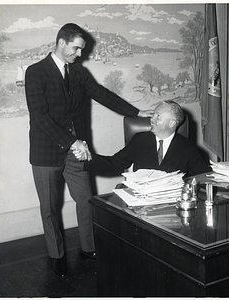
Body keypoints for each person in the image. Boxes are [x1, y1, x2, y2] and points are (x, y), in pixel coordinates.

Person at [25, 23, 153, 278]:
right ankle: (56, 256)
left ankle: (88, 249)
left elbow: (103, 94)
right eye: (76, 48)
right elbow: (40, 117)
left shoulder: (79, 73)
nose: (79, 54)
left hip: (77, 153)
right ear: (61, 42)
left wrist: (137, 112)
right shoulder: (35, 72)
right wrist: (73, 142)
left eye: (81, 49)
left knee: (86, 201)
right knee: (49, 208)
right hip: (47, 153)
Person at [76, 100, 212, 178]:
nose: (152, 118)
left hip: (172, 203)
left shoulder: (187, 148)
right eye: (153, 114)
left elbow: (202, 177)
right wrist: (89, 157)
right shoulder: (140, 140)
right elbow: (115, 163)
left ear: (171, 123)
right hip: (142, 201)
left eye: (158, 116)